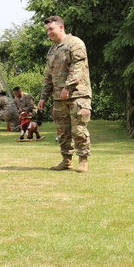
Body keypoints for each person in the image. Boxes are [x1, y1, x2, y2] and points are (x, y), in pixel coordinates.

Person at [38, 15, 92, 173]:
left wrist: (68, 88)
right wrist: (43, 97)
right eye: (47, 30)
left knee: (78, 129)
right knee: (62, 131)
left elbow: (78, 68)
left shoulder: (75, 43)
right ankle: (66, 160)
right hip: (58, 98)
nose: (49, 32)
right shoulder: (52, 50)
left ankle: (83, 160)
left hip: (77, 94)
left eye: (51, 29)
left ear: (61, 27)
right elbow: (48, 76)